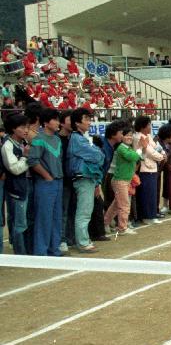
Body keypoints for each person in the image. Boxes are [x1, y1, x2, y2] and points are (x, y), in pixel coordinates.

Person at [67, 108, 105, 253]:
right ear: (77, 122)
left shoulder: (82, 138)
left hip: (87, 177)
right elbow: (97, 156)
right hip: (83, 177)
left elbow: (97, 155)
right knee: (84, 211)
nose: (89, 122)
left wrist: (97, 153)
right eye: (86, 119)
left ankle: (84, 239)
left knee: (85, 210)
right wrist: (97, 153)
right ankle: (82, 242)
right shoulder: (77, 139)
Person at [28, 108, 65, 256]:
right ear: (45, 122)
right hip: (45, 183)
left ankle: (54, 249)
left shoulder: (57, 139)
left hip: (58, 181)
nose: (58, 123)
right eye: (55, 120)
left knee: (56, 217)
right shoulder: (39, 139)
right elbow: (33, 160)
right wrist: (47, 176)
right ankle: (41, 251)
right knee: (44, 218)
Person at [3, 113, 31, 254]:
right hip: (15, 189)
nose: (26, 130)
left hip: (23, 187)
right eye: (22, 127)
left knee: (19, 220)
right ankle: (20, 253)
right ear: (13, 129)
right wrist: (25, 157)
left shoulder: (22, 143)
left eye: (27, 127)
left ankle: (20, 249)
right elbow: (14, 169)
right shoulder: (8, 146)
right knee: (19, 223)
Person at [103, 126, 140, 235]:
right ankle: (122, 227)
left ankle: (105, 222)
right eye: (127, 135)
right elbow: (133, 157)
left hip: (125, 180)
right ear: (121, 136)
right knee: (124, 205)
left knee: (116, 205)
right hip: (120, 180)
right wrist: (139, 149)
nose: (129, 137)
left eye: (130, 135)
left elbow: (136, 157)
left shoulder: (127, 148)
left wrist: (137, 151)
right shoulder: (121, 148)